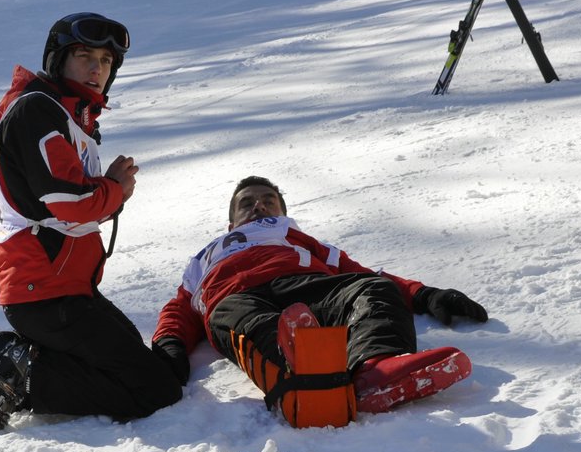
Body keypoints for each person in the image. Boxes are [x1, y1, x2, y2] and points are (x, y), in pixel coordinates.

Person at [0, 12, 183, 438]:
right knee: (155, 390)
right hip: (44, 290)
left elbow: (68, 205)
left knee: (158, 371)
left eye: (106, 61)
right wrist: (114, 190)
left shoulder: (69, 118)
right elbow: (68, 202)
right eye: (84, 56)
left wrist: (109, 192)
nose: (96, 69)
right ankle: (19, 377)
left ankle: (26, 362)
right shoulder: (38, 111)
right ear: (57, 59)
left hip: (66, 287)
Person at [151, 176, 489, 420]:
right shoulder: (204, 258)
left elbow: (364, 274)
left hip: (307, 288)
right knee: (249, 321)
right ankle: (297, 376)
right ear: (231, 223)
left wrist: (424, 294)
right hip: (236, 297)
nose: (259, 205)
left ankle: (374, 371)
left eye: (269, 200)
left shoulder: (297, 238)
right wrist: (170, 348)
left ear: (282, 212)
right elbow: (180, 309)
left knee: (371, 290)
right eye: (247, 202)